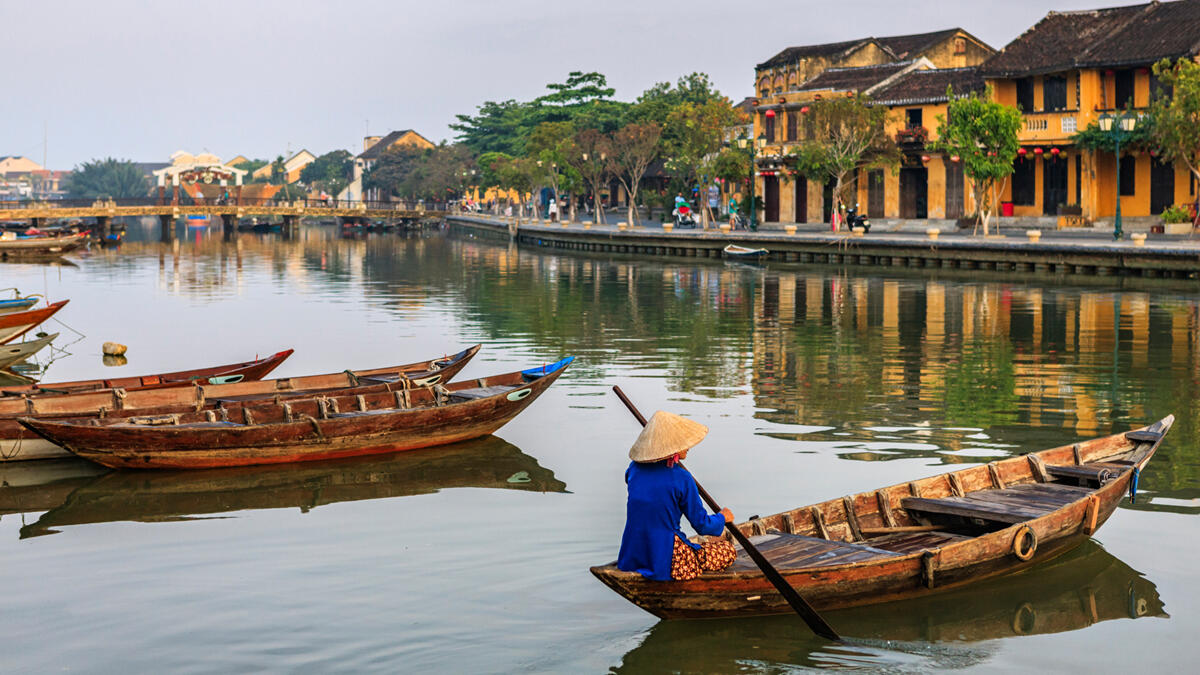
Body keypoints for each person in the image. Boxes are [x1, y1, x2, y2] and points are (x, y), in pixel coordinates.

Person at [617, 411, 738, 581]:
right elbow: (702, 525)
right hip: (665, 559)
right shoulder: (682, 478)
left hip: (631, 555)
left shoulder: (633, 470)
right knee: (728, 550)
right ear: (671, 447)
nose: (688, 447)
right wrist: (722, 518)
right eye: (682, 443)